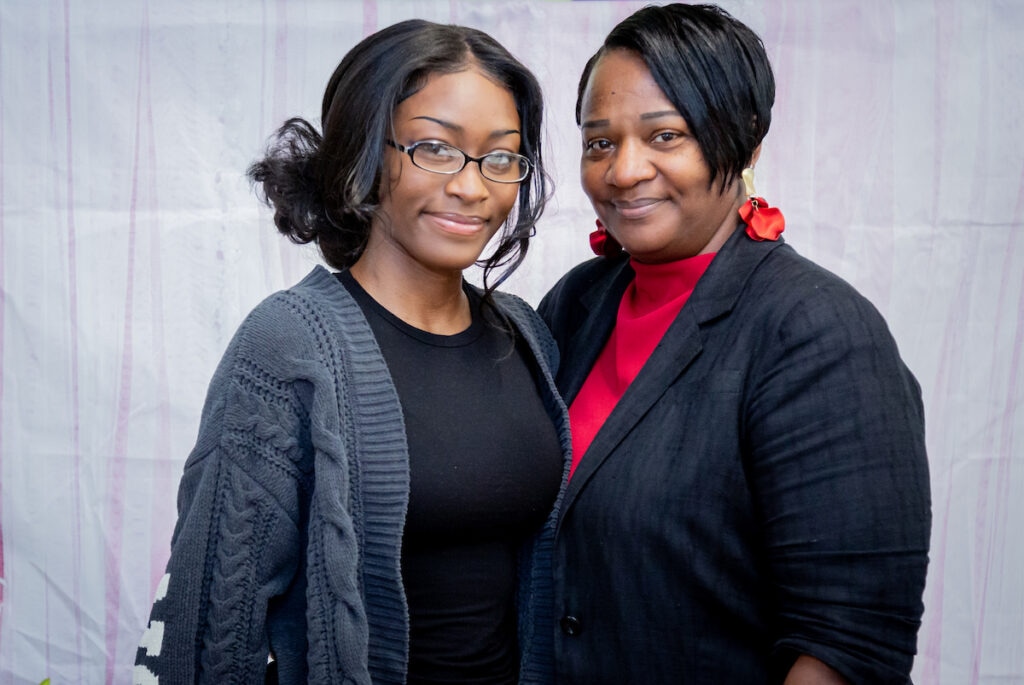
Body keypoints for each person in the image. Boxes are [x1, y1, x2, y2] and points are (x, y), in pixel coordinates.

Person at [133, 19, 571, 685]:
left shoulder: (527, 335)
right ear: (365, 152)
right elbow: (211, 623)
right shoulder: (288, 346)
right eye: (435, 148)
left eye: (501, 157)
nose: (472, 186)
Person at [538, 4, 931, 684]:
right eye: (599, 143)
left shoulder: (817, 332)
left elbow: (846, 646)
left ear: (747, 140)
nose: (624, 170)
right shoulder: (578, 303)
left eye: (665, 135)